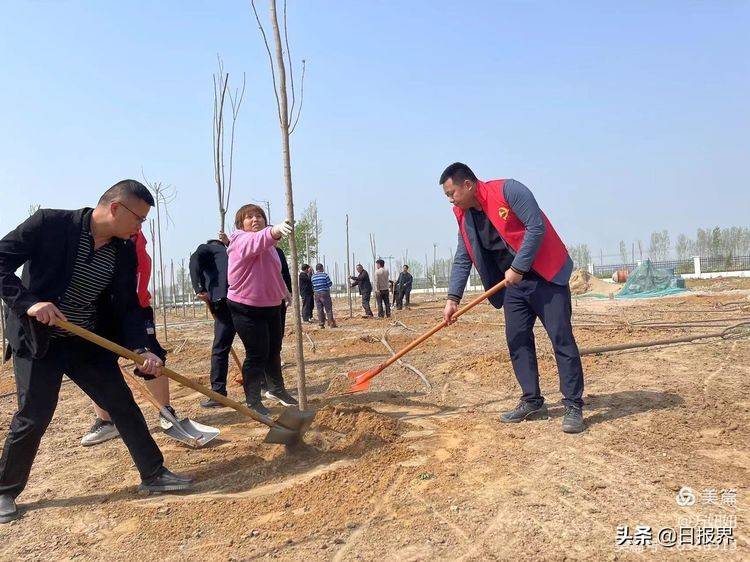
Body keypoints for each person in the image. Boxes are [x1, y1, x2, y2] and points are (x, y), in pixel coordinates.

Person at [0, 180, 194, 524]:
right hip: (38, 339)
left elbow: (128, 306)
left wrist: (142, 347)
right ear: (116, 208)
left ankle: (154, 474)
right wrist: (30, 304)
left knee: (121, 403)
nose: (140, 227)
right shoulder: (50, 224)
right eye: (139, 218)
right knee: (34, 415)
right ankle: (4, 491)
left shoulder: (122, 250)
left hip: (84, 339)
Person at [439, 162, 585, 433]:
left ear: (468, 185)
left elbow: (536, 227)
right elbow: (463, 257)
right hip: (512, 285)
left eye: (452, 193)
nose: (450, 199)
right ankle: (531, 399)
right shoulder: (464, 215)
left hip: (545, 276)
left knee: (561, 337)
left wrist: (519, 267)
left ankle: (573, 404)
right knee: (517, 339)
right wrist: (452, 298)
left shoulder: (508, 190)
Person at [80, 228, 179, 445]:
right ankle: (106, 421)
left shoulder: (135, 242)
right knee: (97, 364)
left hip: (137, 310)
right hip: (100, 315)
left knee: (151, 358)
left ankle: (166, 412)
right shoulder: (97, 239)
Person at [225, 204, 296, 415]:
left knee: (274, 350)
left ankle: (277, 389)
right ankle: (253, 400)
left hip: (272, 306)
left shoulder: (271, 248)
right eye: (249, 218)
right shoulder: (239, 240)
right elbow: (257, 240)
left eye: (259, 216)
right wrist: (274, 231)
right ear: (241, 225)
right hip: (245, 307)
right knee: (257, 354)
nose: (255, 219)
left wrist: (284, 291)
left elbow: (274, 272)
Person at [189, 235, 235, 408]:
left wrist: (199, 287)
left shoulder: (206, 248)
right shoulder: (231, 251)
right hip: (244, 300)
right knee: (255, 347)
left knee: (220, 349)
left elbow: (194, 261)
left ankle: (218, 394)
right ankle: (262, 386)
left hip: (223, 301)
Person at [311, 264, 337, 328]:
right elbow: (329, 283)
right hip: (324, 293)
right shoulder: (325, 275)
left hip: (316, 293)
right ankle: (331, 323)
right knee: (328, 308)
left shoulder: (313, 276)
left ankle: (321, 324)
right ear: (322, 268)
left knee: (319, 309)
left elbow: (312, 286)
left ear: (316, 269)